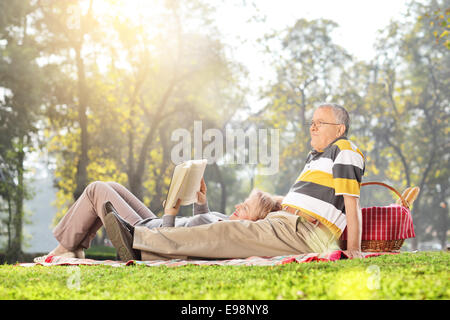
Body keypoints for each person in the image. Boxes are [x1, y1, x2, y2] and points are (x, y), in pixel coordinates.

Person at [106, 103, 365, 261]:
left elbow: (351, 205)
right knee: (225, 234)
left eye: (321, 123)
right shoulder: (316, 158)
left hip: (304, 232)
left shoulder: (344, 150)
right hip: (284, 224)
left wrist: (353, 249)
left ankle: (140, 241)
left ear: (340, 130)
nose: (313, 127)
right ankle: (143, 244)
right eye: (312, 122)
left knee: (225, 232)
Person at [33, 177, 281, 262]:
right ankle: (74, 249)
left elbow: (178, 241)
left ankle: (65, 249)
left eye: (245, 207)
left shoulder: (229, 230)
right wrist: (201, 201)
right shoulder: (225, 224)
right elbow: (200, 227)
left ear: (252, 221)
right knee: (111, 186)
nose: (238, 205)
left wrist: (170, 214)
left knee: (96, 189)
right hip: (156, 227)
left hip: (151, 235)